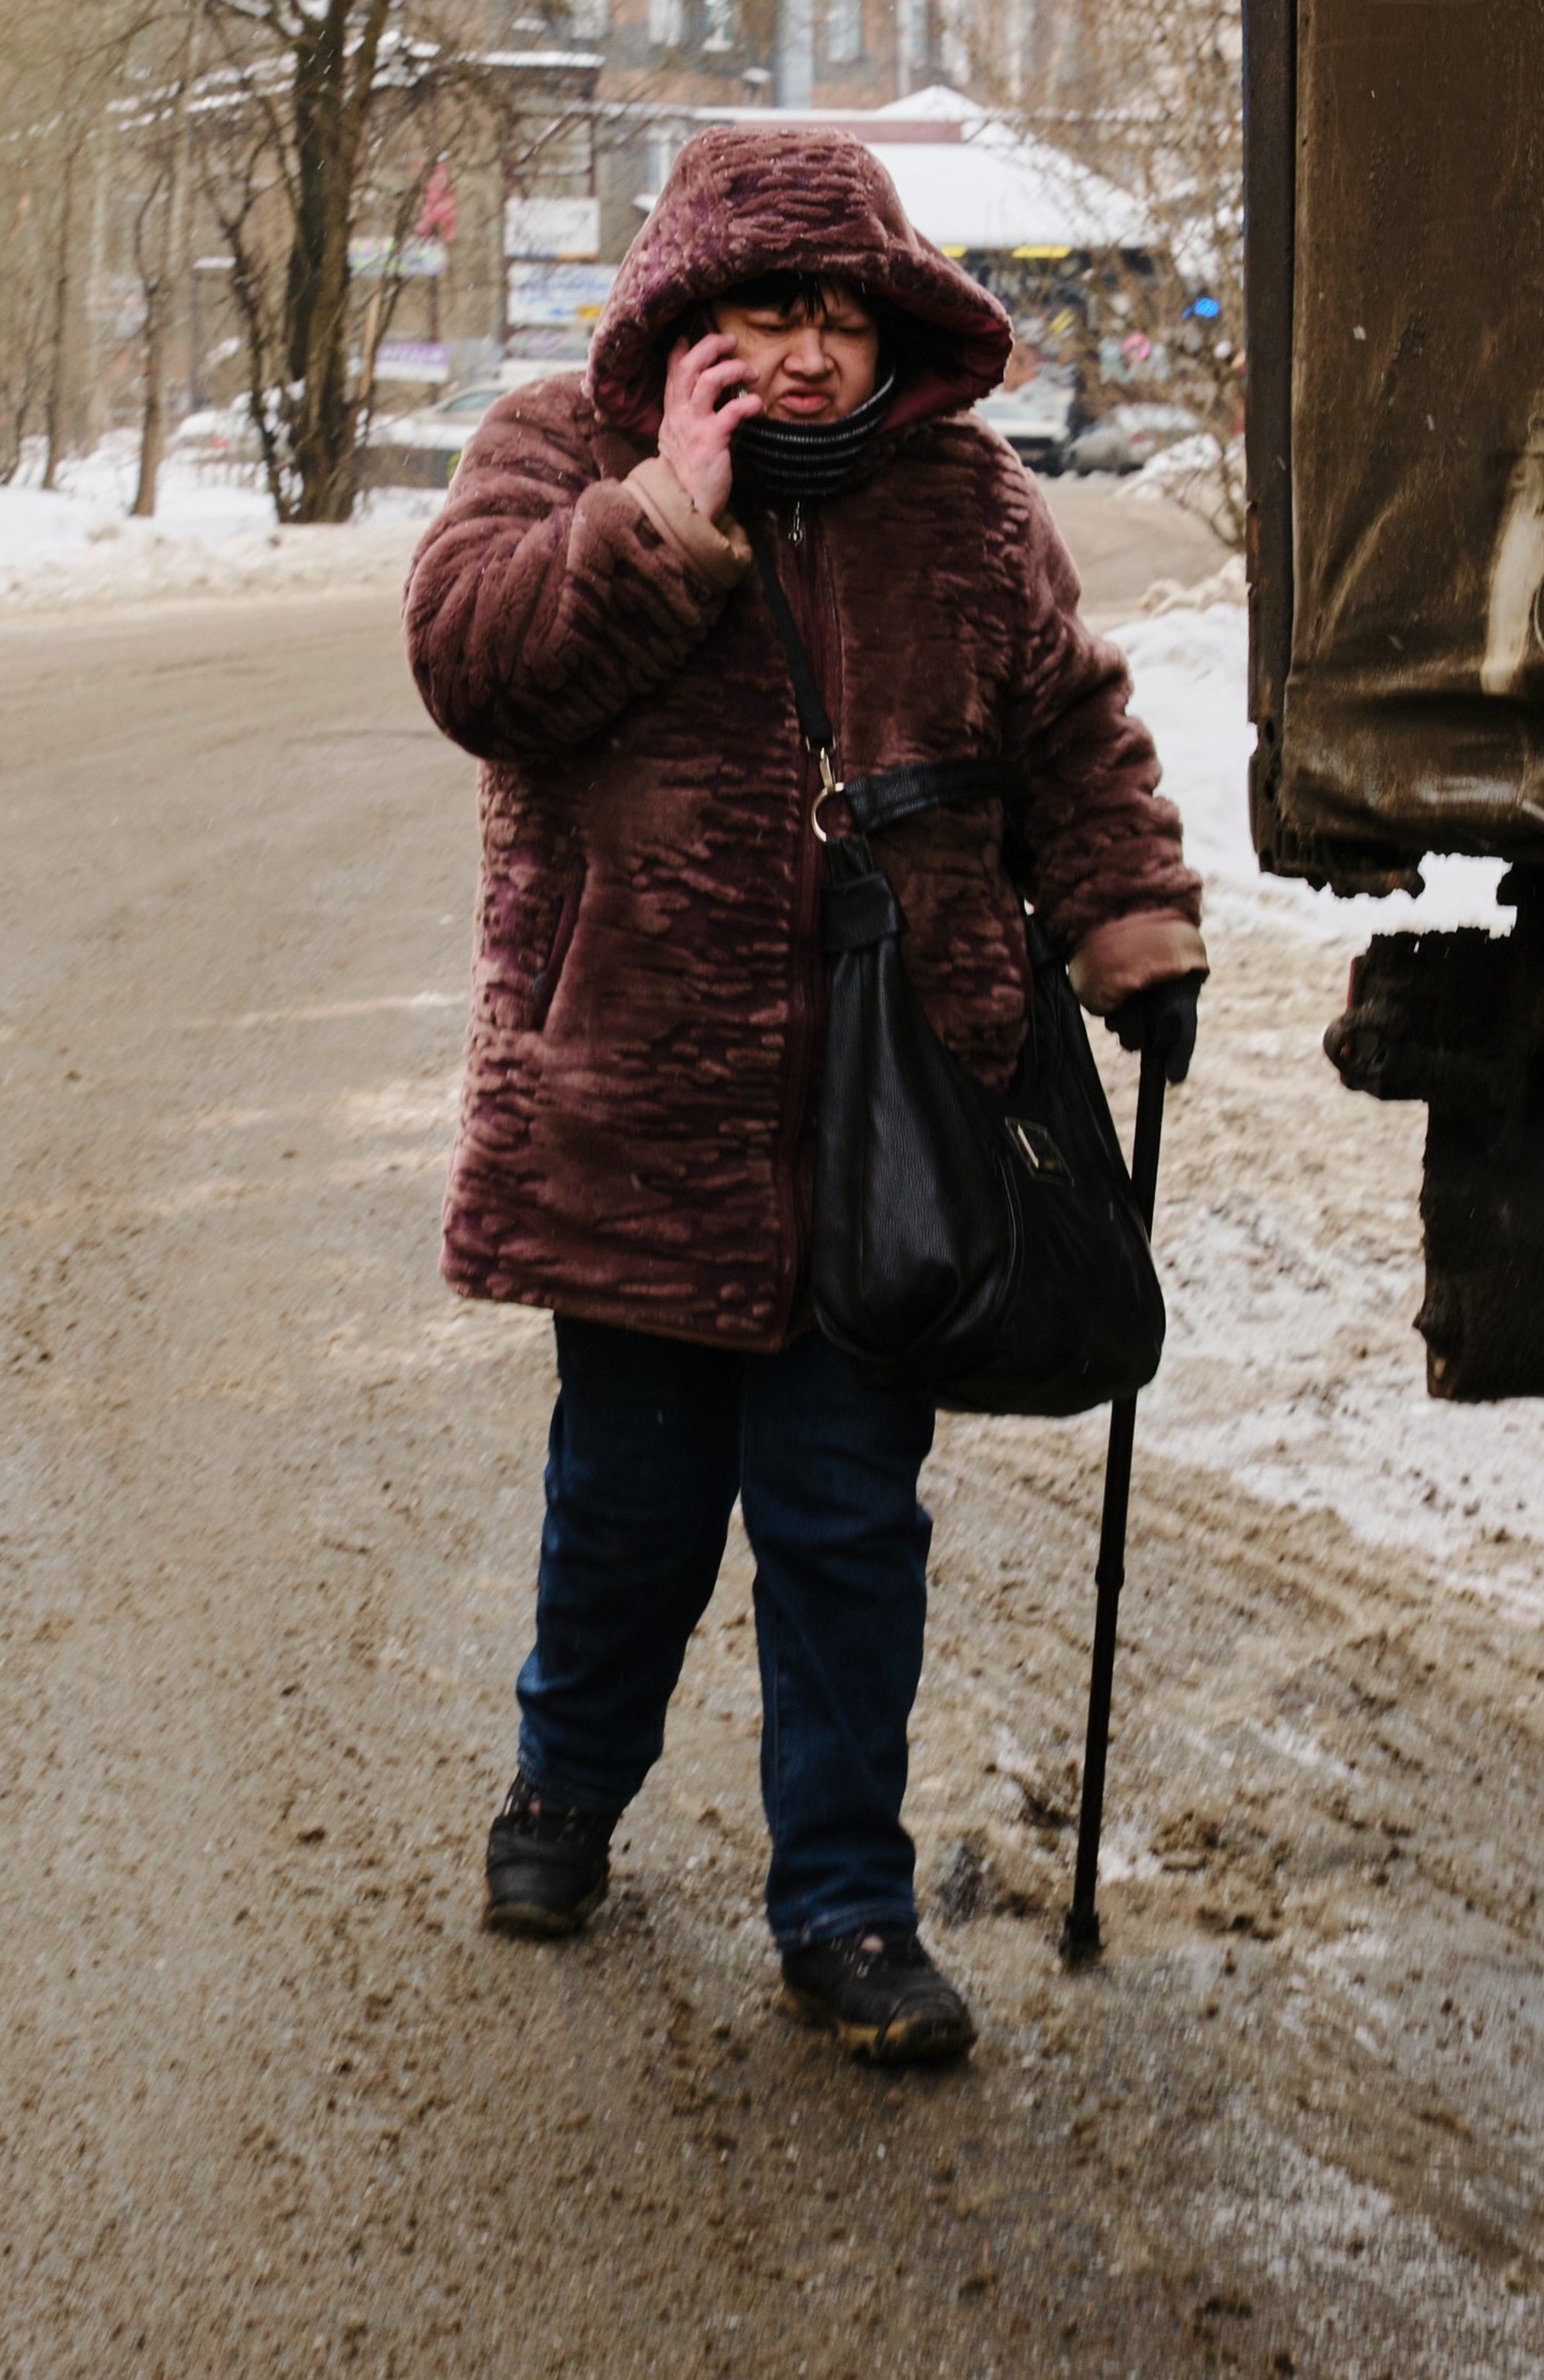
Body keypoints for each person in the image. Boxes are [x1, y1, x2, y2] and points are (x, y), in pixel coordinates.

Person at [403, 128, 1204, 2066]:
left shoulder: (969, 506)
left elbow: (1071, 728)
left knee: (847, 1526)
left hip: (898, 1124)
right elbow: (471, 660)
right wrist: (668, 511)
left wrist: (1130, 927)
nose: (808, 353)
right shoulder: (554, 456)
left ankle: (842, 1903)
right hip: (641, 1105)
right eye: (767, 311)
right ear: (682, 316)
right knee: (630, 1508)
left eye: (843, 315)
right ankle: (564, 1791)